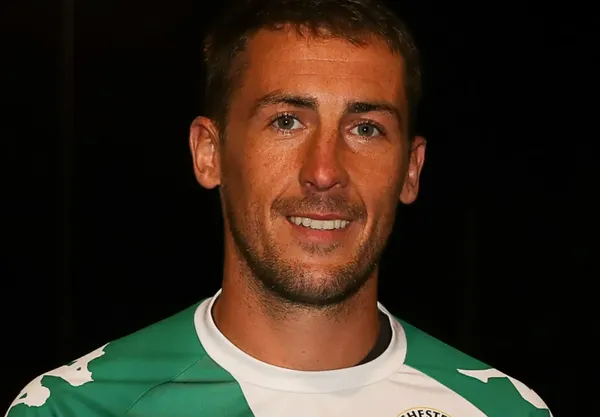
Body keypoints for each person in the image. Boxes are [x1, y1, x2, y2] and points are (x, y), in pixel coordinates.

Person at [6, 0, 553, 416]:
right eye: (286, 121)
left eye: (366, 128)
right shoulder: (77, 406)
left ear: (411, 169)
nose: (325, 171)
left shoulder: (500, 409)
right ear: (209, 153)